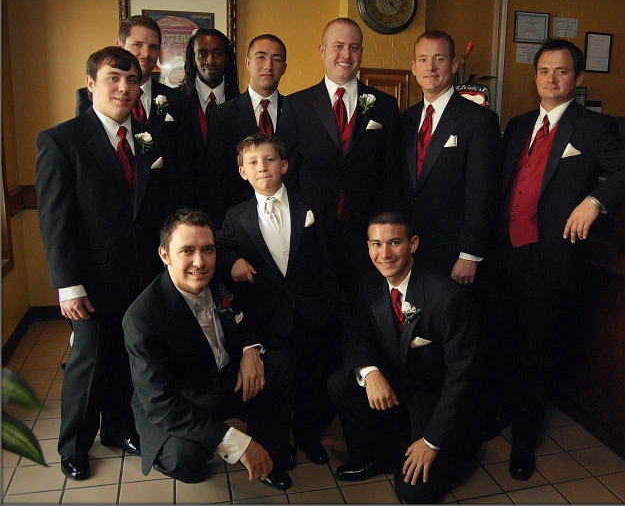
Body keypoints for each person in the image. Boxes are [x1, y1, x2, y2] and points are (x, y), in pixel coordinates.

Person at [480, 39, 625, 481]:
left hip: (547, 255)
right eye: (543, 71)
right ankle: (499, 412)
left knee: (536, 351)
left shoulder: (594, 128)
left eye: (560, 72)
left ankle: (524, 440)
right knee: (499, 340)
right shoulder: (518, 125)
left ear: (577, 79)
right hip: (502, 252)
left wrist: (595, 201)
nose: (550, 79)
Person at [36, 46, 173, 480]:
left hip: (142, 276)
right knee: (91, 361)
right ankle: (74, 445)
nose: (125, 88)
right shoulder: (62, 139)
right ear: (91, 83)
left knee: (130, 358)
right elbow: (55, 219)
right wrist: (67, 284)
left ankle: (119, 427)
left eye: (132, 80)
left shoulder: (151, 138)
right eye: (114, 78)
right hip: (90, 279)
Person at [123, 209, 295, 489]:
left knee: (280, 363)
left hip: (218, 380)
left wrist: (250, 350)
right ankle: (177, 441)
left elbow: (247, 319)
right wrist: (235, 442)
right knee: (187, 462)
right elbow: (160, 402)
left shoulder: (219, 282)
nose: (199, 262)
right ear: (165, 255)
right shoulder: (142, 317)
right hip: (178, 399)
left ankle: (269, 454)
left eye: (207, 250)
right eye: (187, 251)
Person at [328, 211, 480, 504]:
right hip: (397, 384)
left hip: (434, 396)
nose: (384, 253)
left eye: (394, 242)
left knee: (413, 492)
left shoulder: (446, 297)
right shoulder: (369, 284)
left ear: (413, 244)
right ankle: (375, 456)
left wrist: (431, 441)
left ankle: (449, 447)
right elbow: (355, 335)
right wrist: (370, 372)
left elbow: (463, 375)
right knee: (340, 384)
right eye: (375, 244)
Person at [215, 133, 338, 467]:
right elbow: (219, 249)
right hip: (267, 316)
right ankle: (275, 441)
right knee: (280, 381)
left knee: (313, 378)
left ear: (283, 165)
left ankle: (309, 436)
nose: (262, 168)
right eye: (252, 162)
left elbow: (329, 259)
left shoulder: (309, 205)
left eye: (269, 160)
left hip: (312, 310)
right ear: (242, 172)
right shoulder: (235, 216)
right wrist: (232, 261)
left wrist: (329, 302)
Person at [276, 17, 402, 310]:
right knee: (319, 310)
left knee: (366, 309)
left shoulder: (384, 105)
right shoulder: (297, 105)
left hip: (368, 232)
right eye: (339, 46)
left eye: (354, 48)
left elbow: (391, 172)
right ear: (322, 51)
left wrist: (388, 229)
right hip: (313, 230)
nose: (346, 55)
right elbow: (288, 172)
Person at [400, 30, 502, 285]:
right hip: (408, 251)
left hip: (454, 255)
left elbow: (483, 192)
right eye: (423, 60)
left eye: (439, 59)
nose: (430, 67)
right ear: (413, 67)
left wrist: (470, 253)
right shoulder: (405, 120)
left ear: (454, 64)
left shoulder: (479, 121)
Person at [208, 34, 288, 226]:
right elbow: (216, 179)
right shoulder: (222, 114)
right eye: (261, 57)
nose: (268, 65)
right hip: (240, 223)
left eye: (276, 59)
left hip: (287, 218)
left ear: (284, 67)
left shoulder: (297, 110)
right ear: (247, 62)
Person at [75, 15, 182, 135]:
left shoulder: (177, 99)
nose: (146, 53)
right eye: (138, 45)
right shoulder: (90, 97)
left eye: (153, 47)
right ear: (120, 46)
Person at [176, 28, 240, 210]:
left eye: (217, 53)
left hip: (230, 209)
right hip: (185, 209)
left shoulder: (242, 105)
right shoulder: (176, 103)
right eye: (202, 54)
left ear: (227, 58)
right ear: (192, 59)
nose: (210, 60)